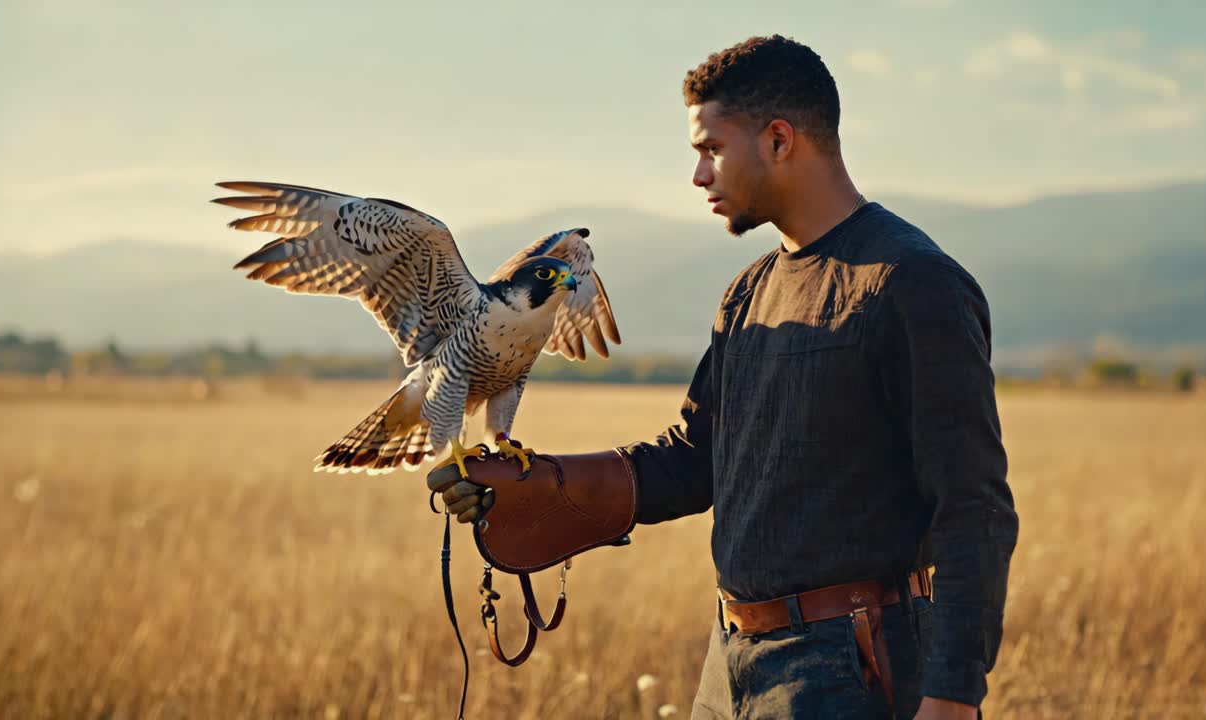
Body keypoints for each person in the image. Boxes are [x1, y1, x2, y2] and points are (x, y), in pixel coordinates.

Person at [429, 34, 1019, 720]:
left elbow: (974, 506)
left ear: (778, 140)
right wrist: (542, 487)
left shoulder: (913, 283)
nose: (698, 176)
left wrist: (951, 698)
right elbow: (696, 457)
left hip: (854, 665)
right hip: (733, 662)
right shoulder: (749, 292)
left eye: (711, 150)